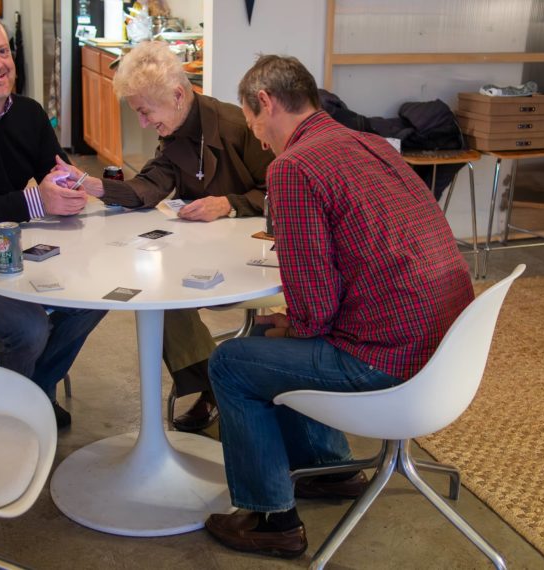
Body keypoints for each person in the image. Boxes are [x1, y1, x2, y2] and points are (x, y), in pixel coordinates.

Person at [204, 55, 475, 558]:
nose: (259, 140)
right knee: (270, 337)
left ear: (266, 101)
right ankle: (332, 469)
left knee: (233, 362)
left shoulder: (293, 167)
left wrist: (292, 326)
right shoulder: (367, 142)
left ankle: (272, 521)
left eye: (254, 124)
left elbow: (315, 310)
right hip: (446, 346)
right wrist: (291, 326)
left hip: (390, 360)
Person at [56, 41, 274, 432]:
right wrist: (92, 185)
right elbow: (150, 186)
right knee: (157, 289)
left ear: (176, 95)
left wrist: (228, 202)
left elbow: (278, 194)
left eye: (144, 111)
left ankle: (216, 387)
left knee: (166, 291)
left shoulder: (238, 126)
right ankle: (214, 383)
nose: (141, 123)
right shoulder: (174, 132)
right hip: (208, 249)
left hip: (255, 253)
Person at [0, 16, 106, 428]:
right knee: (29, 327)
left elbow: (57, 167)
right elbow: (28, 199)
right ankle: (9, 419)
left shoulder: (30, 113)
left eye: (2, 51)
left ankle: (33, 392)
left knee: (98, 296)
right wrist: (37, 199)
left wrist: (68, 183)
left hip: (20, 249)